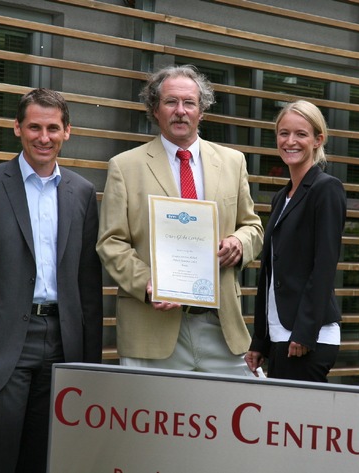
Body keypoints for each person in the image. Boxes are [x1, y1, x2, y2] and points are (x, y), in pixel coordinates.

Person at [0, 88, 104, 473]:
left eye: (53, 128)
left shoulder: (81, 193)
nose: (43, 137)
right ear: (17, 128)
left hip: (63, 343)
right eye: (34, 127)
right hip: (1, 344)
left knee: (45, 455)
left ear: (68, 131)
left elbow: (88, 284)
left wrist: (91, 363)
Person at [96, 64, 263, 375]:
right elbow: (111, 241)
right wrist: (147, 283)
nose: (180, 111)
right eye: (170, 102)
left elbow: (252, 226)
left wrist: (239, 243)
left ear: (202, 110)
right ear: (155, 109)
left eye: (189, 103)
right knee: (152, 421)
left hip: (220, 324)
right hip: (152, 328)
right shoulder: (125, 166)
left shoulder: (233, 162)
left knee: (232, 416)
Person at [244, 100, 346, 382]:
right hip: (280, 336)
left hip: (307, 338)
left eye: (301, 134)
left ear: (317, 140)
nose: (290, 141)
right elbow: (270, 272)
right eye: (283, 133)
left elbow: (324, 265)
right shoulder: (281, 197)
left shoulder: (326, 189)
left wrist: (305, 332)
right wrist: (260, 340)